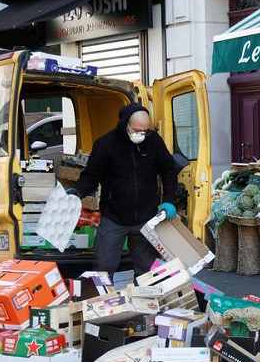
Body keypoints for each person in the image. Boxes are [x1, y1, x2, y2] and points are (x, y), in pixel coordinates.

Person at [68, 103, 178, 276]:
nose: (141, 135)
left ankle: (144, 294)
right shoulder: (106, 144)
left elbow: (169, 170)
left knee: (147, 271)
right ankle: (103, 294)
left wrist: (169, 200)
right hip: (114, 218)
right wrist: (77, 192)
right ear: (126, 124)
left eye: (145, 131)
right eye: (137, 130)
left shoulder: (154, 141)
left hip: (145, 218)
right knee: (103, 267)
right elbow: (91, 176)